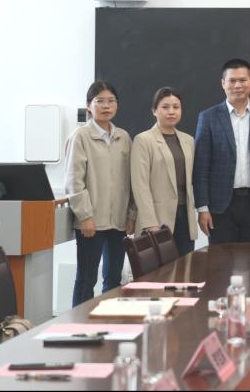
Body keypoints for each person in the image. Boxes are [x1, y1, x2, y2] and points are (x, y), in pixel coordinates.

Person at [64, 81, 134, 307]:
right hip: (91, 222)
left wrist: (131, 214)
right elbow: (74, 181)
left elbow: (130, 180)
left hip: (118, 222)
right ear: (88, 106)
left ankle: (108, 321)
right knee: (86, 279)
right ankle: (79, 324)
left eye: (111, 101)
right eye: (100, 101)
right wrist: (85, 216)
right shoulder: (81, 137)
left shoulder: (123, 137)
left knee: (113, 278)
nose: (106, 106)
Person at [193, 58, 250, 244]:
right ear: (223, 83)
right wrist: (202, 207)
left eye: (242, 80)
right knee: (221, 260)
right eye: (232, 81)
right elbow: (201, 166)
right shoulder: (208, 117)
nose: (238, 85)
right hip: (220, 205)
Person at [131, 87, 198, 256]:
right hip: (157, 217)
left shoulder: (188, 140)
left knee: (185, 267)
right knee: (159, 270)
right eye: (165, 107)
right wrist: (150, 222)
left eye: (176, 107)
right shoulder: (143, 140)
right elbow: (140, 185)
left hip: (185, 215)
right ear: (154, 110)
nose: (171, 111)